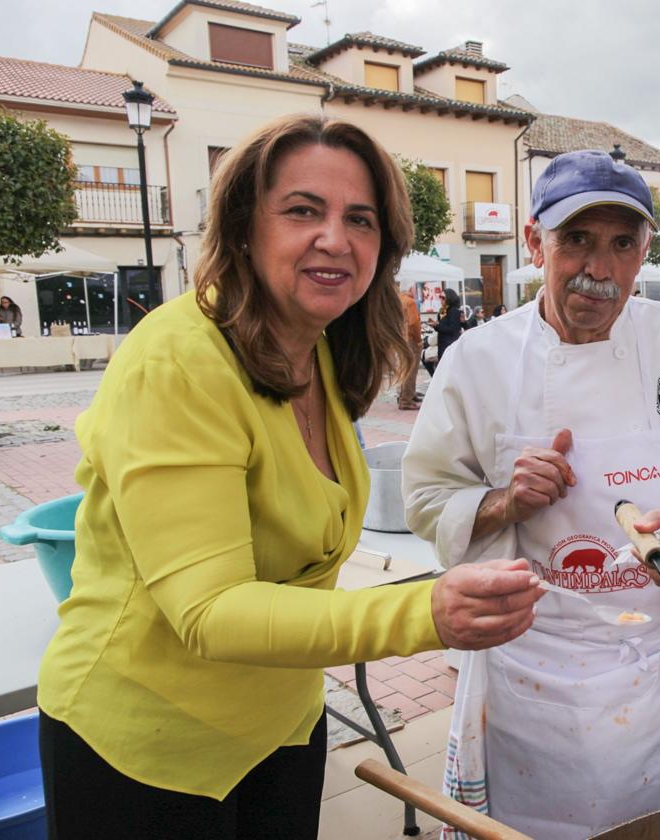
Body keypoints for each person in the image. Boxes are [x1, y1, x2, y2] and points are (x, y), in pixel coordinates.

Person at [34, 114, 543, 840]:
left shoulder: (324, 355)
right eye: (304, 210)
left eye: (360, 220)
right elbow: (209, 610)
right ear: (244, 227)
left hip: (281, 728)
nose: (336, 239)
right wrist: (423, 614)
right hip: (146, 747)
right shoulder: (177, 358)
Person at [402, 149, 660, 839]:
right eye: (576, 240)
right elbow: (428, 497)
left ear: (645, 250)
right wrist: (503, 503)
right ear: (534, 241)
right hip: (532, 668)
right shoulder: (477, 360)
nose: (599, 268)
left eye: (621, 244)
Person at [398, 283, 422, 410]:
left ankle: (405, 394)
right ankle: (406, 399)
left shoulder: (397, 300)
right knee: (411, 369)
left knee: (404, 368)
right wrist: (418, 340)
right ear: (410, 289)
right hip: (410, 338)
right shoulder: (410, 302)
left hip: (400, 338)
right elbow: (414, 323)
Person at [431, 287, 464, 361]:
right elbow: (442, 327)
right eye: (440, 297)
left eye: (443, 298)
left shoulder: (454, 311)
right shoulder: (442, 311)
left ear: (449, 298)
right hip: (442, 344)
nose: (441, 300)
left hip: (450, 346)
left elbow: (452, 330)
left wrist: (437, 326)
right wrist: (436, 325)